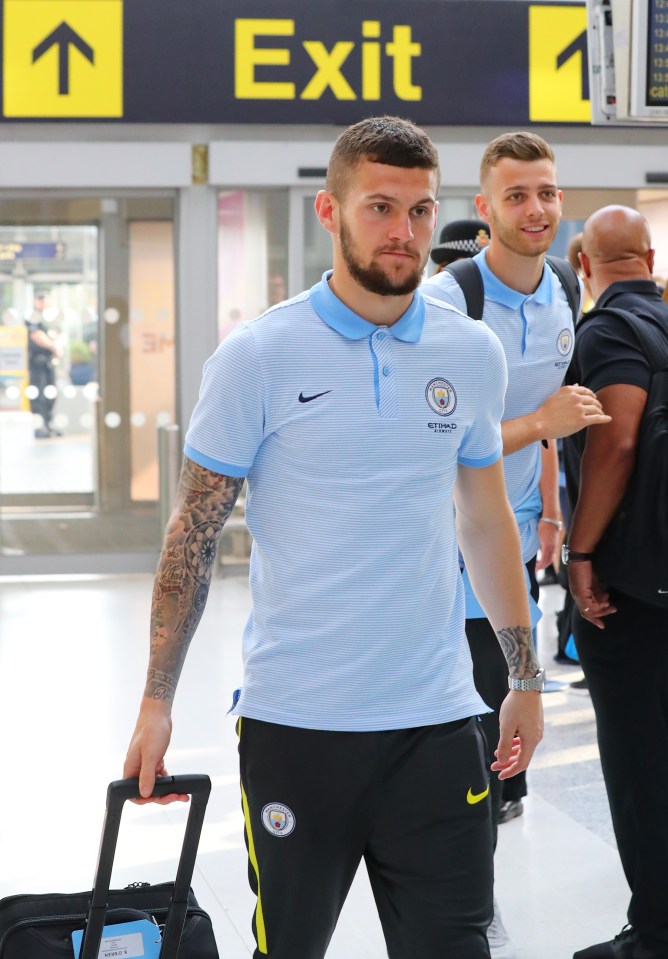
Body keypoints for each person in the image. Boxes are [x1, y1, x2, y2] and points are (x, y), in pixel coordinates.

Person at [124, 116, 545, 959]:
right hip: (297, 727)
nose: (404, 232)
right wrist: (156, 700)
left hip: (437, 721)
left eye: (421, 211)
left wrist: (525, 676)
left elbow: (486, 519)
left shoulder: (469, 353)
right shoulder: (260, 355)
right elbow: (192, 535)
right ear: (330, 210)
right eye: (381, 207)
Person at [424, 131, 610, 958]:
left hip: (514, 539)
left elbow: (555, 405)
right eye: (516, 196)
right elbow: (430, 440)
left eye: (546, 192)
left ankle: (478, 867)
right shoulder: (449, 299)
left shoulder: (566, 286)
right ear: (484, 208)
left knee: (507, 715)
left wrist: (550, 515)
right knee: (460, 727)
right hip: (442, 546)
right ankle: (464, 898)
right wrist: (541, 424)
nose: (534, 209)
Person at [563, 205, 668, 959]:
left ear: (583, 263)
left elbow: (620, 435)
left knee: (637, 761)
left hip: (632, 592)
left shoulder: (608, 331)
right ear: (651, 255)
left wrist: (580, 549)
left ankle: (655, 932)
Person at [24, 290, 61, 438]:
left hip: (49, 362)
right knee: (38, 394)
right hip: (37, 362)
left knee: (50, 393)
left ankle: (49, 423)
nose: (42, 302)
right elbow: (37, 336)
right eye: (40, 300)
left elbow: (59, 333)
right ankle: (39, 426)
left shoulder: (51, 318)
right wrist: (53, 346)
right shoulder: (32, 316)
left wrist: (57, 346)